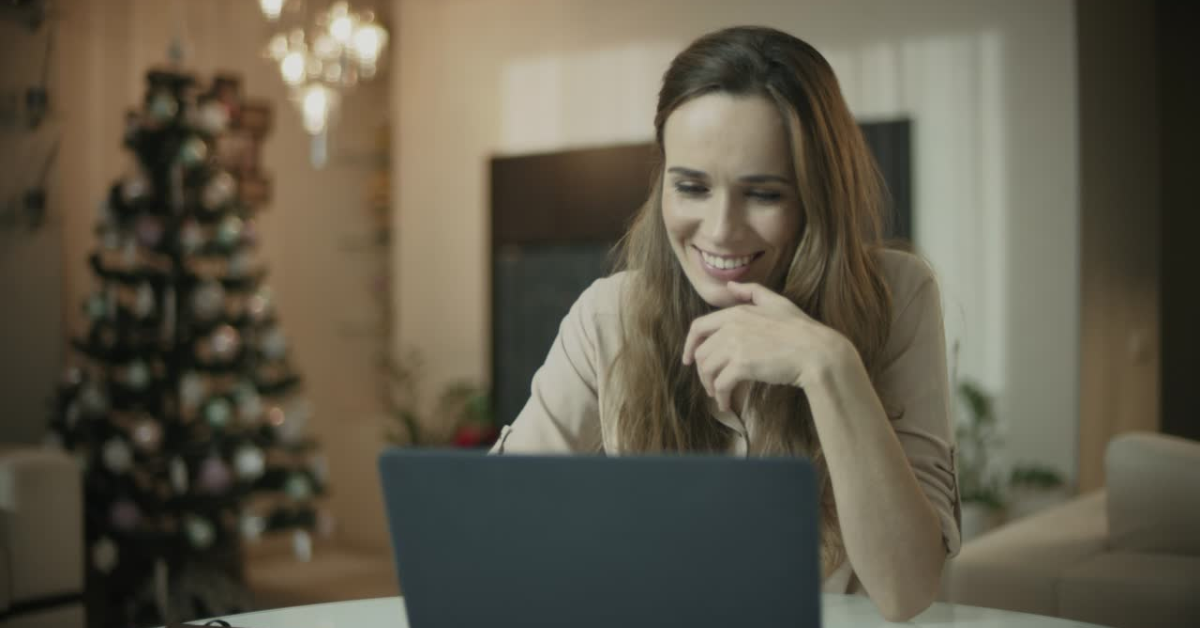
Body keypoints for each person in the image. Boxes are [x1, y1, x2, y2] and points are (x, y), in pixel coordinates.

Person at [490, 25, 960, 622]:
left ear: (819, 196)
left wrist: (829, 366)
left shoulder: (896, 298)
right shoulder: (608, 315)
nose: (718, 231)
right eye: (690, 187)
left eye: (763, 194)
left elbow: (907, 589)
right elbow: (497, 529)